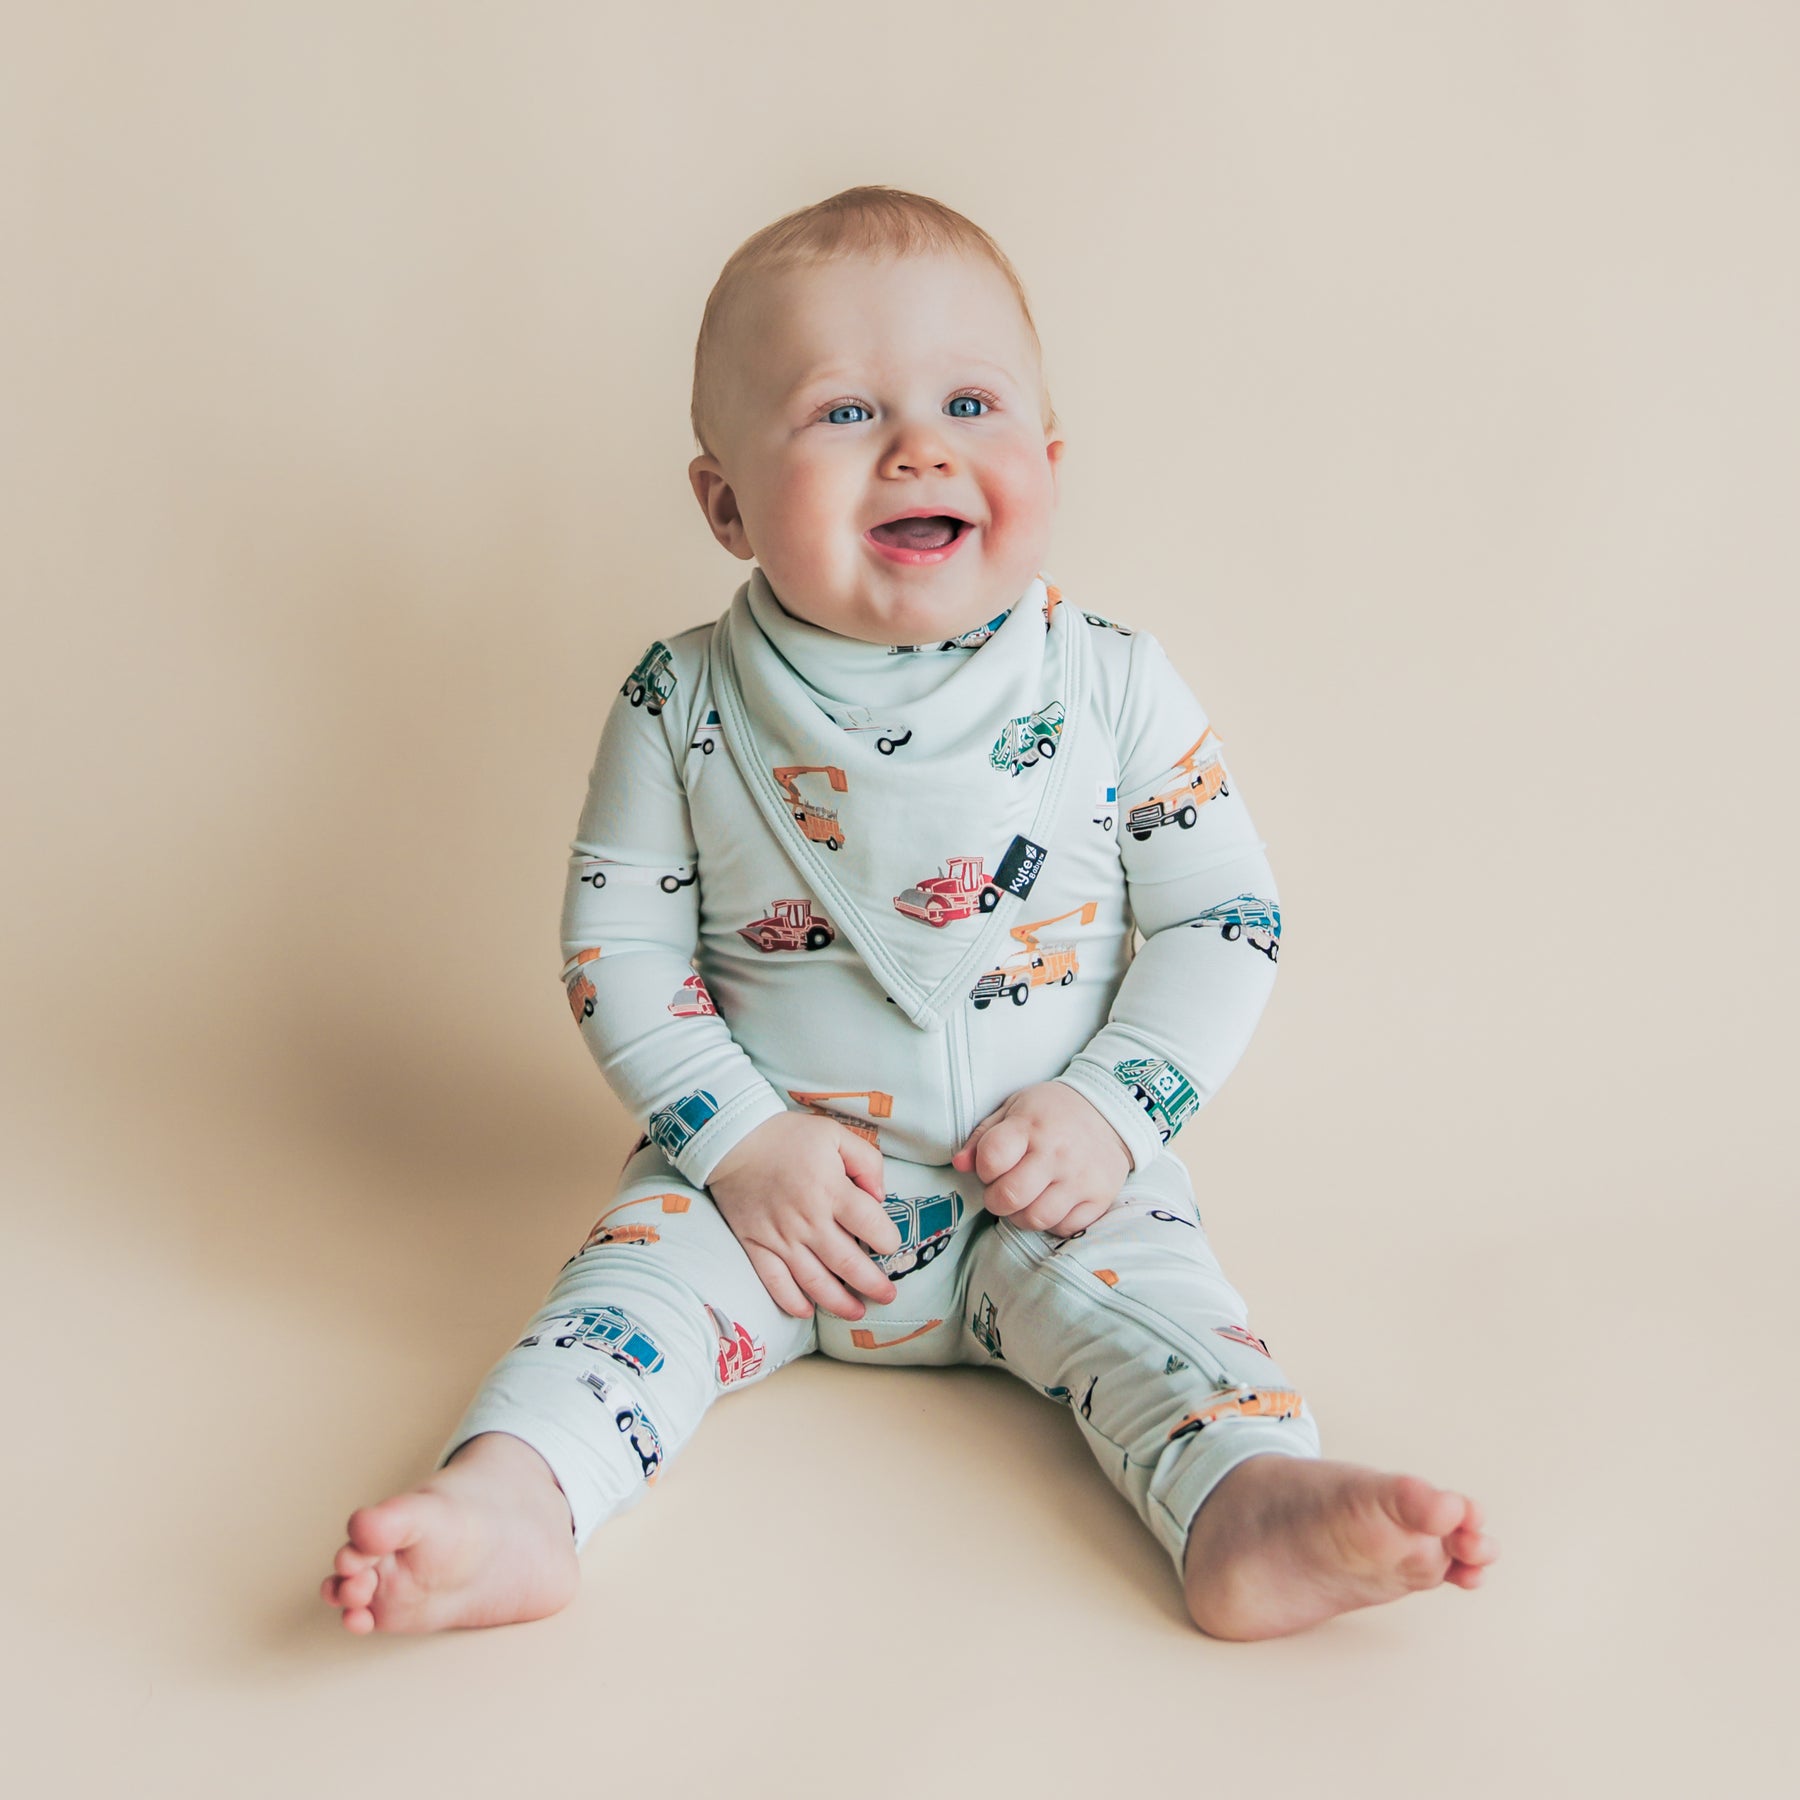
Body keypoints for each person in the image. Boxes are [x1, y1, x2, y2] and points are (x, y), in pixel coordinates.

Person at [321, 185, 1497, 1640]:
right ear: (725, 503)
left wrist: (1110, 1115)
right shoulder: (679, 703)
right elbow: (617, 944)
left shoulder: (1114, 684)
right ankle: (510, 1504)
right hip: (768, 1202)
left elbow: (1222, 918)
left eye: (969, 402)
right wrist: (741, 1142)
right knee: (616, 1310)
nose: (920, 446)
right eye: (842, 413)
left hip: (1049, 1191)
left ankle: (1251, 1505)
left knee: (1168, 1320)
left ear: (1050, 459)